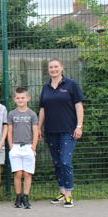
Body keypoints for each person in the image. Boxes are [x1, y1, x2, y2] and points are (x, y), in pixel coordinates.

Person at [39, 58, 85, 208]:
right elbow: (42, 110)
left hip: (68, 130)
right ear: (48, 70)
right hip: (51, 131)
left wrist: (79, 126)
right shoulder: (45, 87)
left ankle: (69, 195)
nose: (53, 69)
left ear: (61, 68)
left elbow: (79, 106)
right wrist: (39, 128)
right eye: (51, 67)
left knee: (65, 162)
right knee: (57, 163)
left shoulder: (71, 84)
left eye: (56, 67)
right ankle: (62, 191)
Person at [8, 87, 39, 209]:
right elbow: (9, 131)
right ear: (14, 99)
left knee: (27, 174)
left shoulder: (32, 114)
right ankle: (18, 197)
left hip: (28, 147)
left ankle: (26, 197)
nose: (20, 100)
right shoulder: (12, 114)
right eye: (18, 98)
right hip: (16, 147)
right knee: (18, 174)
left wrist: (33, 147)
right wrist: (11, 146)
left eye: (23, 98)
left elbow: (35, 131)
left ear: (28, 99)